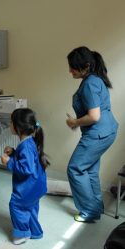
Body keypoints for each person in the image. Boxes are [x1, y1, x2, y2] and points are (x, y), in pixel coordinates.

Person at [66, 46, 118, 222]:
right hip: (106, 131)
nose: (70, 70)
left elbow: (94, 116)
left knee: (75, 168)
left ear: (86, 65)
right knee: (89, 170)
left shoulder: (90, 83)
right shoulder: (94, 79)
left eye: (73, 66)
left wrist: (74, 122)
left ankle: (89, 211)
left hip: (98, 134)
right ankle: (96, 208)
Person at [1, 108, 50, 245]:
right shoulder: (29, 141)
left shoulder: (26, 146)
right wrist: (14, 152)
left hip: (28, 187)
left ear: (18, 127)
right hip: (37, 186)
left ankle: (22, 235)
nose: (10, 124)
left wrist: (9, 162)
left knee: (16, 205)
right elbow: (27, 159)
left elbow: (26, 168)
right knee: (31, 207)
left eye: (11, 122)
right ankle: (36, 232)